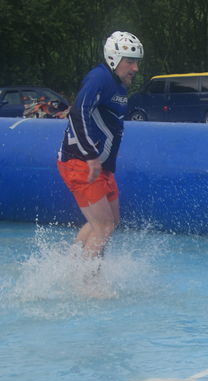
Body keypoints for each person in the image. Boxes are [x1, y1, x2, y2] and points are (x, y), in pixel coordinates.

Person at [57, 31, 143, 258]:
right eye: (130, 61)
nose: (135, 68)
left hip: (100, 166)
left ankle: (72, 263)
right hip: (81, 162)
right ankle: (86, 277)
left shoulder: (117, 84)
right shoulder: (99, 78)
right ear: (114, 58)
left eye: (137, 62)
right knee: (103, 226)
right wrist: (91, 155)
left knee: (110, 221)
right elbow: (78, 113)